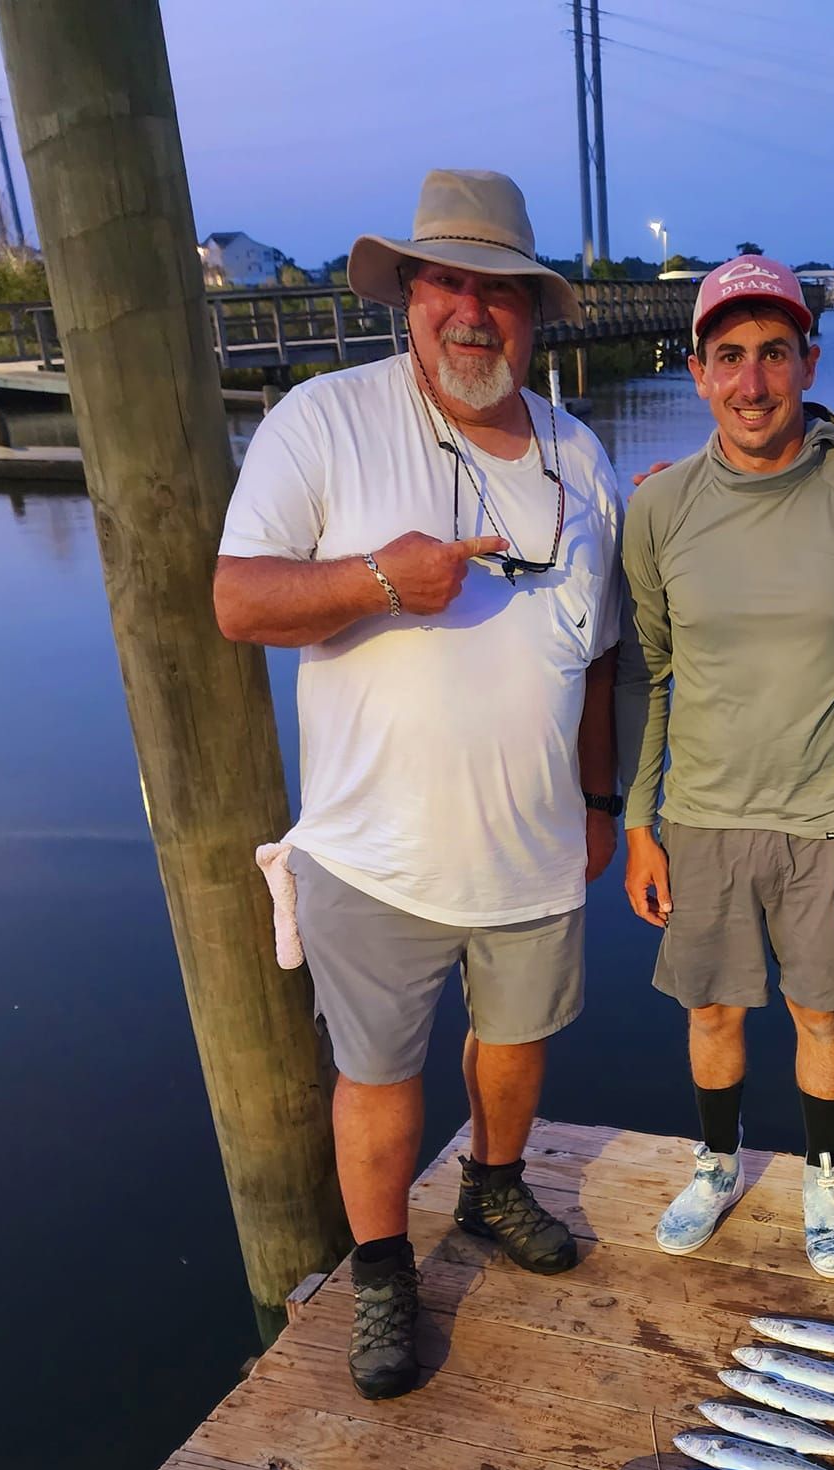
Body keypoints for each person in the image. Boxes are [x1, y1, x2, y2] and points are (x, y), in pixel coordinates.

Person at [214, 170, 623, 1397]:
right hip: (374, 853)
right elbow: (239, 600)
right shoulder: (322, 419)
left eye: (501, 292)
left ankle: (495, 1186)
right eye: (449, 282)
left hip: (538, 847)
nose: (474, 312)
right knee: (377, 1076)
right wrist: (380, 580)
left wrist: (599, 806)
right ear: (407, 292)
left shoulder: (580, 451)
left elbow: (600, 661)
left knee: (515, 1046)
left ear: (534, 315)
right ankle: (384, 1267)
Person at [619, 256, 834, 1277]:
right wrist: (636, 822)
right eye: (729, 357)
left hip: (827, 818)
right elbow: (654, 674)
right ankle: (715, 1160)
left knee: (823, 1010)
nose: (753, 383)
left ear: (809, 361)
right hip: (698, 813)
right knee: (711, 1008)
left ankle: (824, 1172)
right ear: (697, 372)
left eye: (774, 355)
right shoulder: (655, 512)